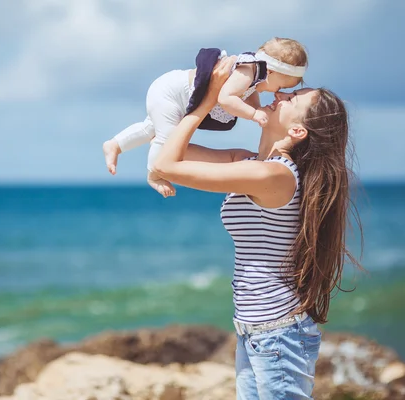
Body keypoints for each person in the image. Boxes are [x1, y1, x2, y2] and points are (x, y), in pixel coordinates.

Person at [152, 56, 363, 399]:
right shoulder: (250, 162)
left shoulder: (272, 176)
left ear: (297, 131)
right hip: (254, 329)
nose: (280, 95)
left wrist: (209, 102)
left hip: (278, 333)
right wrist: (204, 89)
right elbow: (167, 147)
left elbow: (166, 163)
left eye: (291, 99)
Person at [102, 37, 308, 198]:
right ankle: (154, 174)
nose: (277, 93)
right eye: (281, 87)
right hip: (172, 93)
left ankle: (116, 144)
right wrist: (254, 114)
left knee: (151, 129)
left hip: (172, 90)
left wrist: (256, 107)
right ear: (271, 71)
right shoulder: (247, 72)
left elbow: (248, 94)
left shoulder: (253, 75)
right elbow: (226, 98)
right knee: (166, 138)